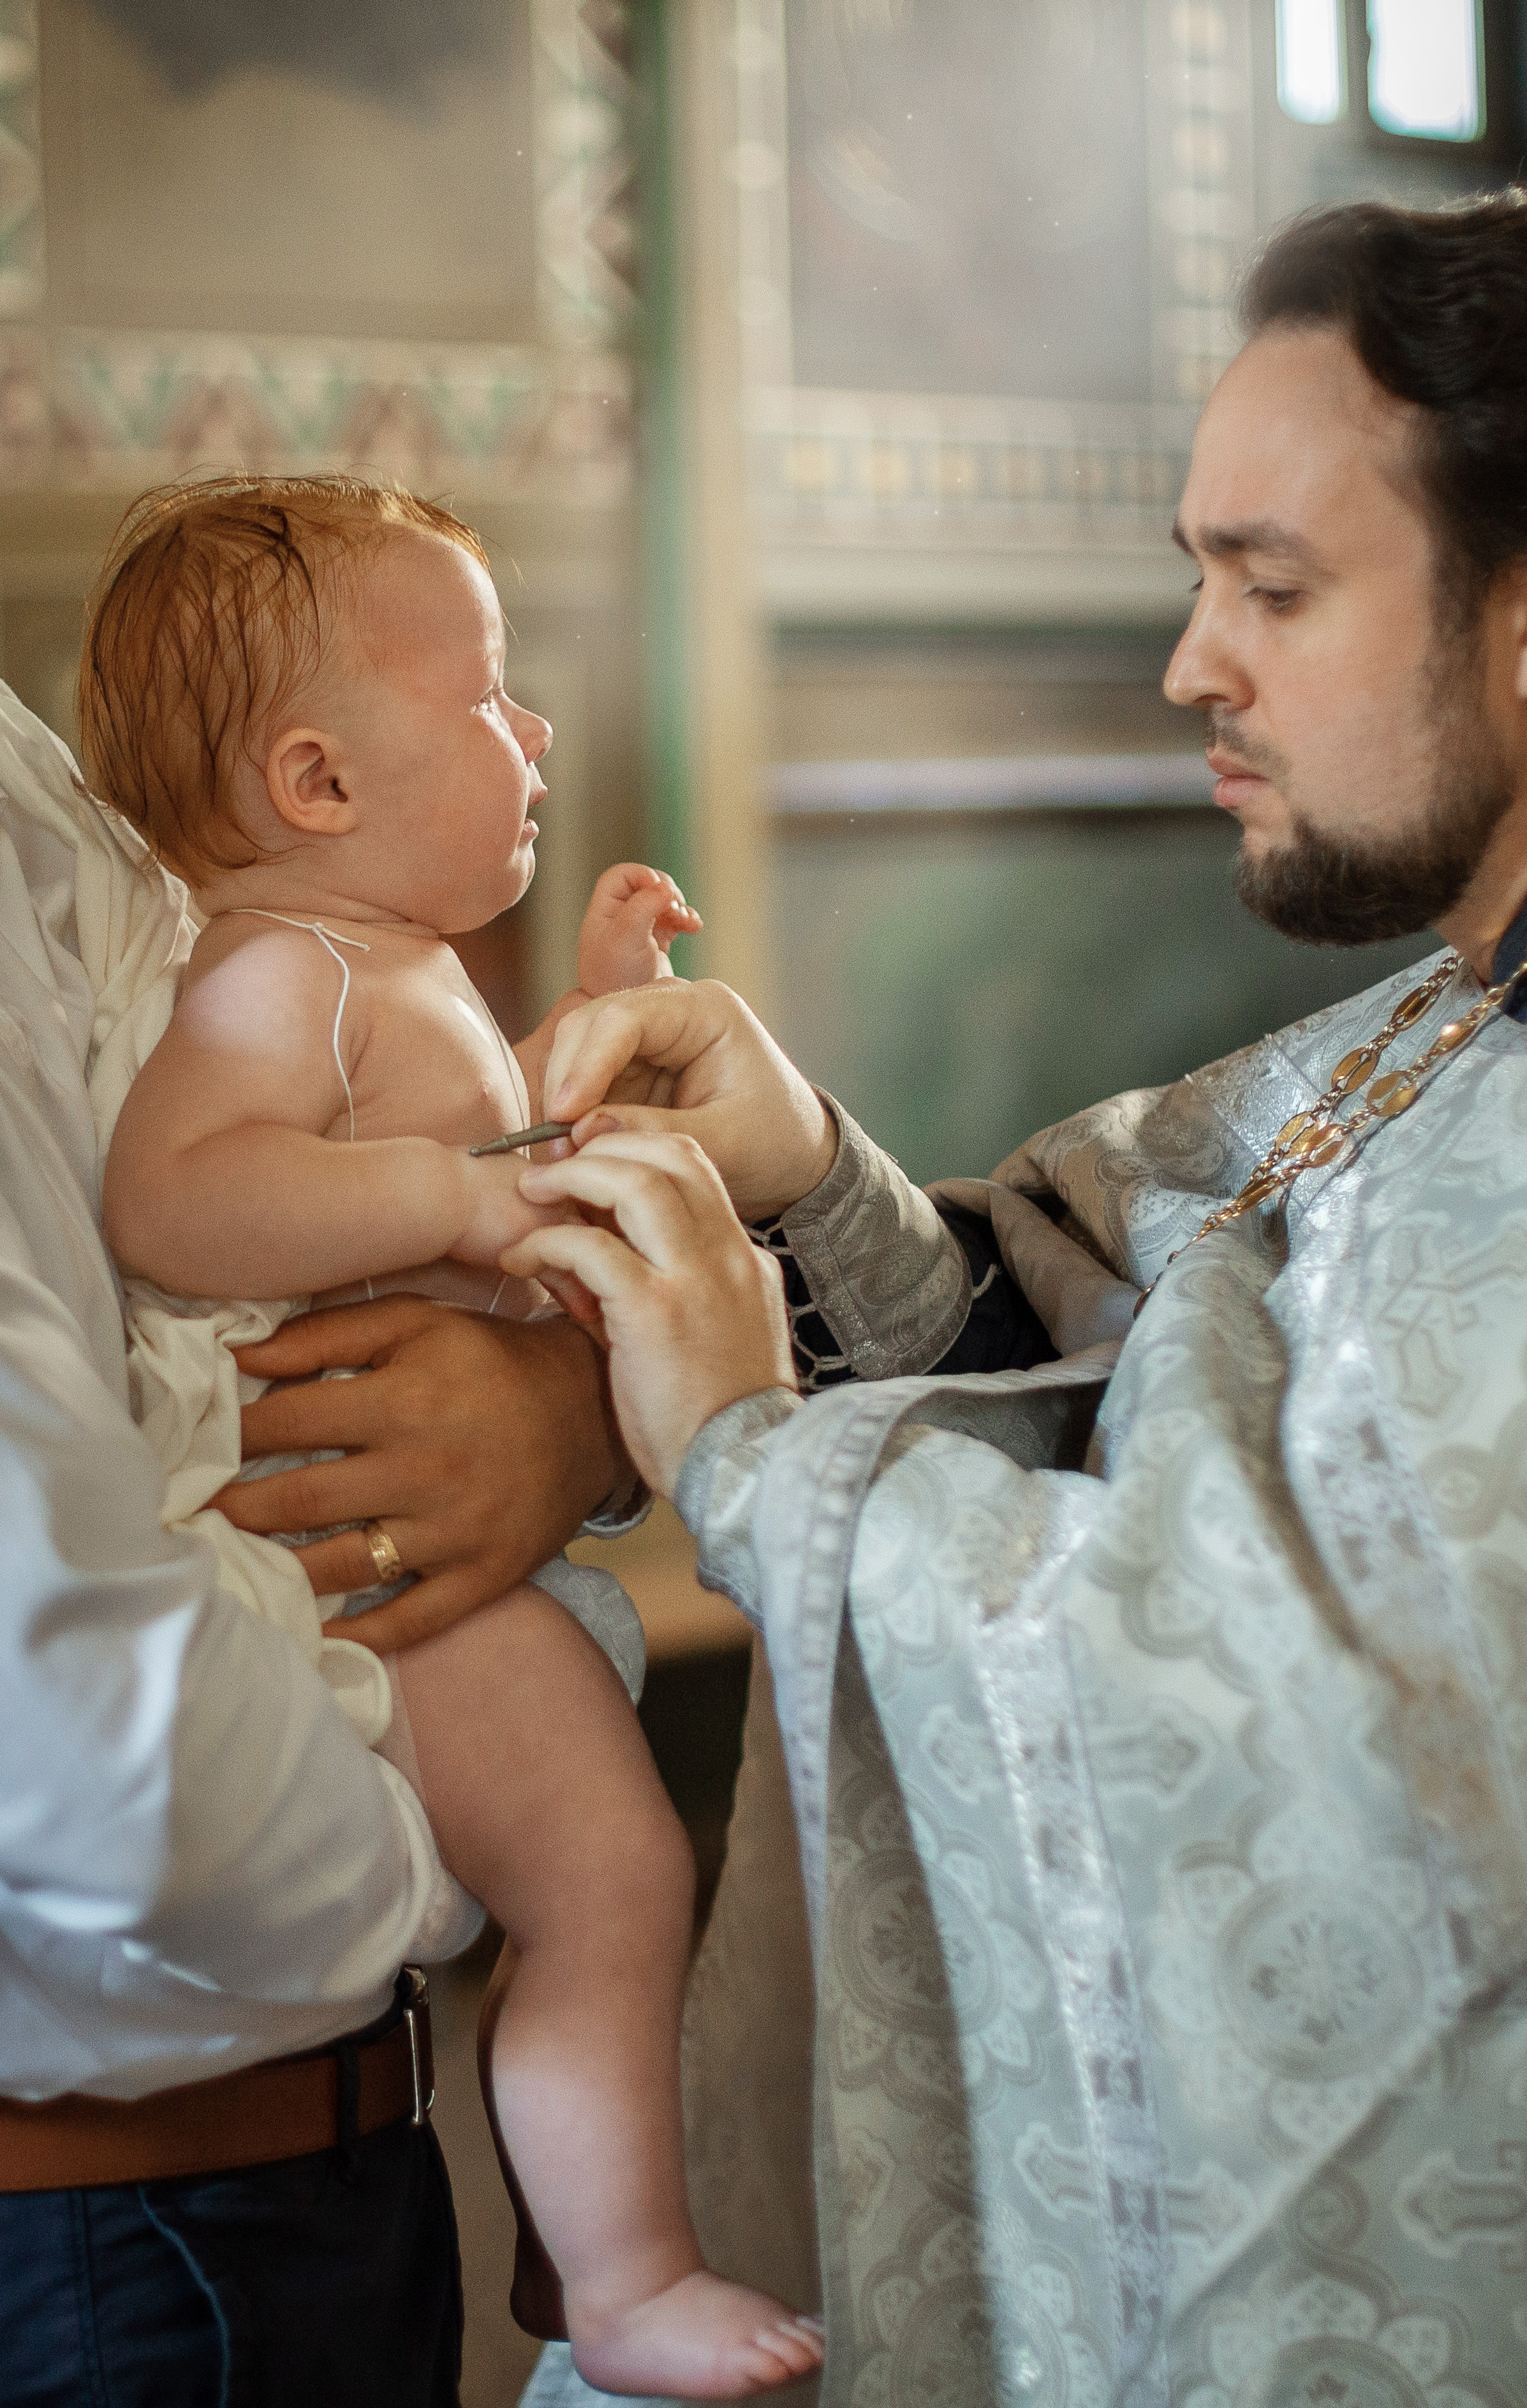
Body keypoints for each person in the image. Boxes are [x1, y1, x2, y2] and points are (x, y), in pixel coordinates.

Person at [497, 194, 1527, 2404]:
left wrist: (740, 1453)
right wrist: (809, 1177)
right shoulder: (1434, 1027)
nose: (1190, 664)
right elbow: (1120, 1374)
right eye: (1195, 574)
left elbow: (1320, 1775)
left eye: (1271, 585)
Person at [66, 475, 820, 2402]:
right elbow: (179, 1201)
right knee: (614, 1878)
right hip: (380, 1576)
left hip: (462, 1542)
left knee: (596, 1885)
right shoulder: (278, 978)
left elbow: (496, 1166)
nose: (536, 729)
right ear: (316, 784)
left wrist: (594, 1018)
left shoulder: (381, 971)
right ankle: (626, 2272)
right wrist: (455, 1200)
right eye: (484, 696)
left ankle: (590, 2236)